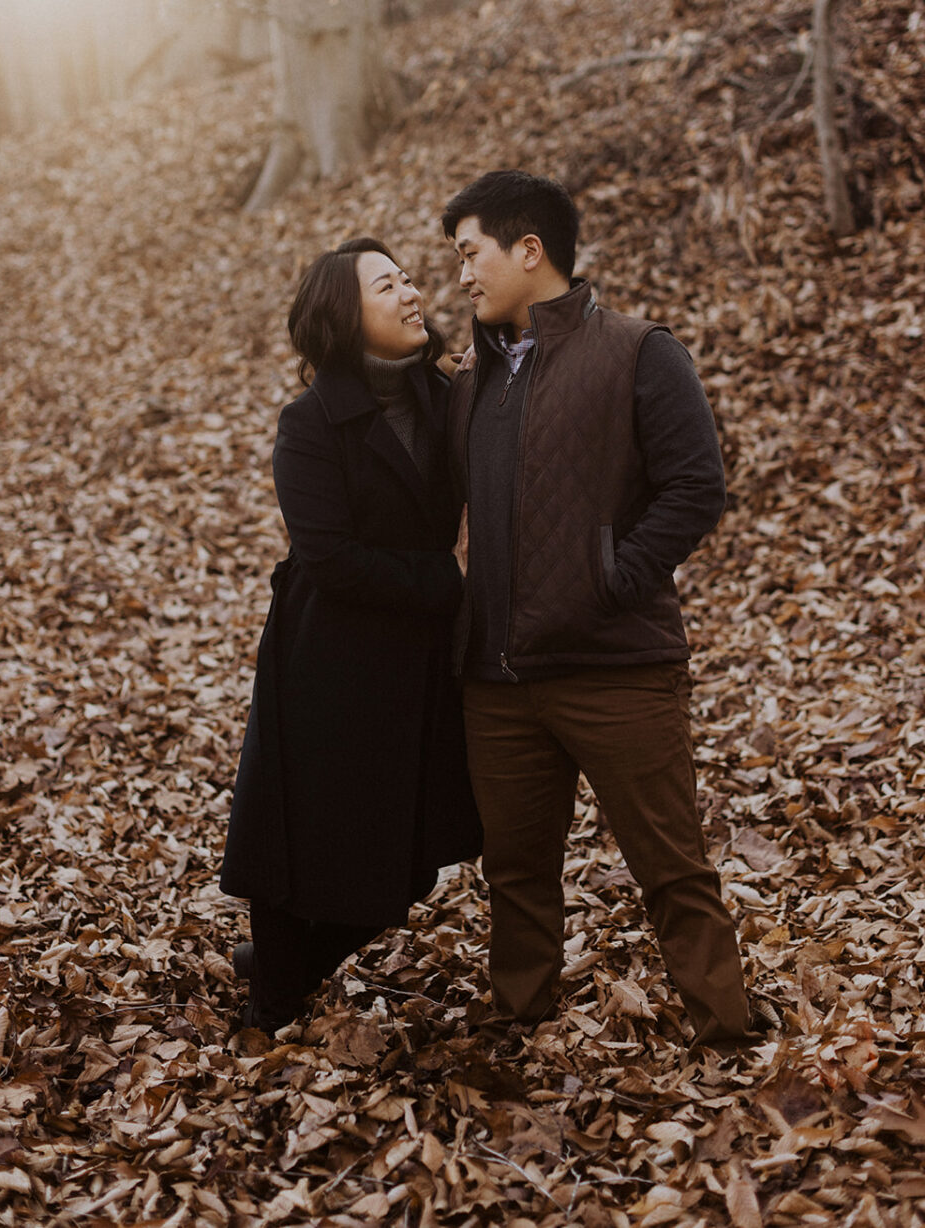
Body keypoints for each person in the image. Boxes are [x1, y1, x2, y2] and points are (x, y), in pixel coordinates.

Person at [441, 169, 756, 1049]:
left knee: (672, 867)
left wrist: (611, 584)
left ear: (529, 250)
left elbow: (696, 487)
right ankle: (519, 1023)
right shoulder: (473, 380)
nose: (462, 275)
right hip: (498, 683)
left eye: (472, 254)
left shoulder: (637, 349)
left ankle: (726, 1034)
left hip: (617, 667)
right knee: (515, 872)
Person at [220, 237, 481, 1033]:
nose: (410, 293)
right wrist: (453, 579)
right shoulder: (308, 424)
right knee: (293, 843)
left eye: (406, 278)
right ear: (345, 315)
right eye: (385, 285)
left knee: (409, 859)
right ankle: (271, 1002)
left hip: (418, 658)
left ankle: (287, 968)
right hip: (324, 656)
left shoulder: (445, 398)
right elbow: (330, 558)